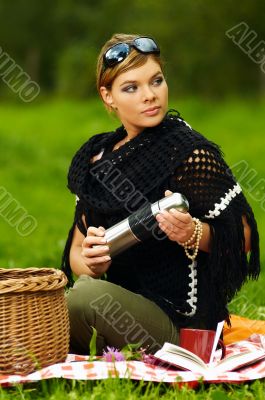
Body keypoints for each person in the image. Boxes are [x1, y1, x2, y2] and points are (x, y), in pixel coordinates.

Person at [61, 33, 260, 355]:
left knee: (84, 298)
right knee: (56, 300)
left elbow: (245, 236)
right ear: (107, 96)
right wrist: (92, 262)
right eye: (131, 87)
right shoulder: (96, 159)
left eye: (156, 81)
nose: (149, 95)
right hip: (119, 305)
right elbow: (77, 254)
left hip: (183, 325)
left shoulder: (188, 151)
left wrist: (194, 232)